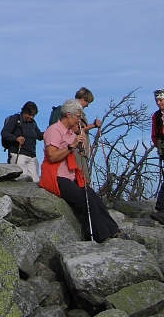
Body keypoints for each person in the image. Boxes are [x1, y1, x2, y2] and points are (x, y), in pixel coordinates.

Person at [40, 99, 120, 243]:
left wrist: (79, 145)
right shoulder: (54, 130)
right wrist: (72, 146)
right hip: (56, 176)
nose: (80, 119)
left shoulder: (71, 132)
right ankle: (102, 236)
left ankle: (113, 230)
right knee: (86, 200)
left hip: (71, 175)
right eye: (78, 116)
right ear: (68, 115)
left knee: (94, 197)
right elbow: (52, 156)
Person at [1, 101, 43, 182]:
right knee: (22, 181)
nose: (31, 117)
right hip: (18, 154)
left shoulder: (33, 123)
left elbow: (39, 136)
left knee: (36, 181)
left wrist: (50, 132)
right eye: (29, 115)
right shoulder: (15, 119)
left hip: (32, 156)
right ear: (24, 112)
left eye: (33, 115)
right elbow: (4, 133)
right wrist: (16, 138)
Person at [150, 88, 164, 225]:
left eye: (160, 100)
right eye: (157, 100)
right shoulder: (156, 116)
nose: (158, 103)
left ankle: (161, 208)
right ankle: (161, 209)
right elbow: (154, 134)